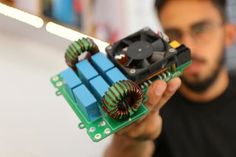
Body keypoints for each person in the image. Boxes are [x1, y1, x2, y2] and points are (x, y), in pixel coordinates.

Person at [104, 0, 236, 157]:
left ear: (229, 34)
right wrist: (135, 139)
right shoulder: (152, 103)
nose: (187, 46)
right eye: (173, 34)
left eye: (201, 29)